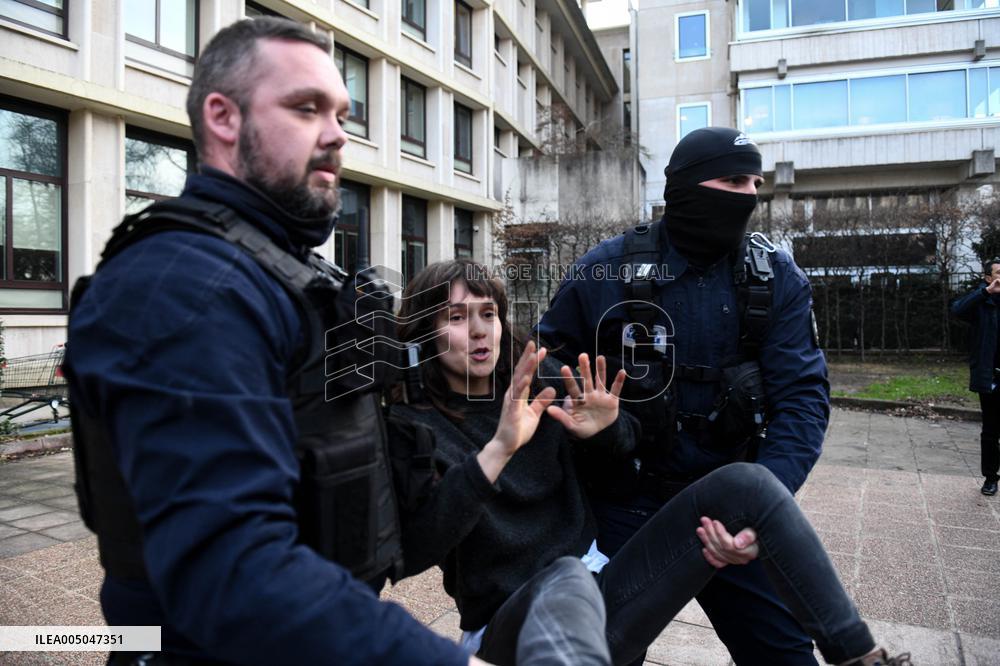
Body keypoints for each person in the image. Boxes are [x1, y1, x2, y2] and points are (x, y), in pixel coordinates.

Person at [64, 18, 481, 665]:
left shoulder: (287, 274)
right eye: (306, 107)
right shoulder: (183, 286)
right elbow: (230, 572)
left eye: (342, 113)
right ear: (224, 118)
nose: (338, 134)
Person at [391, 259, 908, 666]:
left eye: (489, 313)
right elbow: (417, 546)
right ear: (424, 332)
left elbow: (624, 445)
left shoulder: (537, 379)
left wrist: (607, 428)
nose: (480, 330)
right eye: (457, 318)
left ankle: (859, 656)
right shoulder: (414, 426)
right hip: (512, 628)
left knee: (746, 484)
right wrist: (498, 449)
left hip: (604, 594)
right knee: (563, 579)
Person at [535, 127, 831, 664]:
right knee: (593, 652)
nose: (747, 195)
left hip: (728, 511)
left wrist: (768, 504)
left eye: (754, 182)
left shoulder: (775, 277)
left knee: (785, 653)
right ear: (688, 186)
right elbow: (543, 360)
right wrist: (586, 408)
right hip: (624, 501)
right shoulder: (607, 266)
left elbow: (802, 399)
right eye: (733, 179)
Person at [950, 257, 1000, 496]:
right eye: (999, 272)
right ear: (988, 278)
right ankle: (991, 478)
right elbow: (957, 310)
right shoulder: (983, 301)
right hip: (990, 374)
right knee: (990, 430)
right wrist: (985, 293)